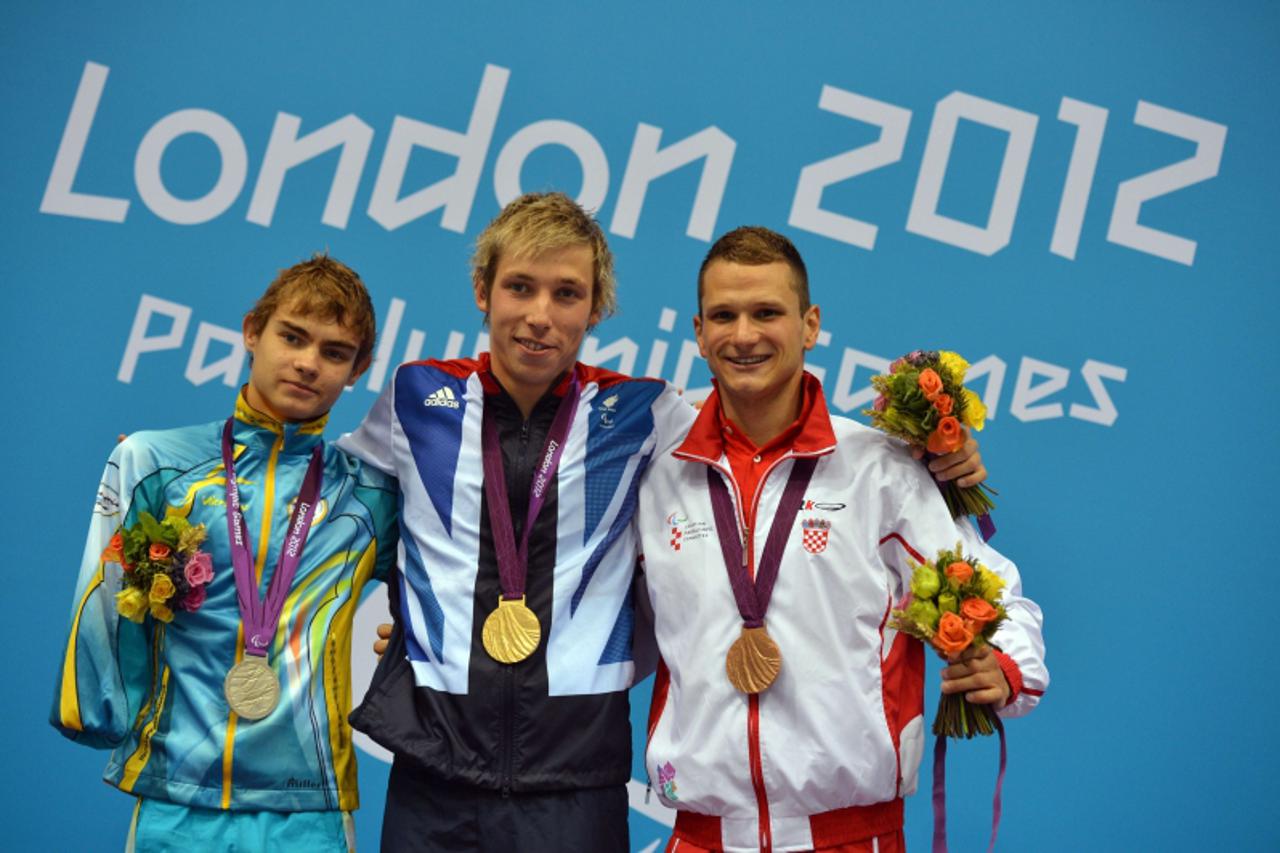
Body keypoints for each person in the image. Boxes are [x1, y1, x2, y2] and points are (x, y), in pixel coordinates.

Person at [347, 193, 990, 852]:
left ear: (596, 308)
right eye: (520, 287)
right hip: (434, 775)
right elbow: (327, 510)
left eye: (567, 293)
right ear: (483, 290)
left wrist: (940, 459)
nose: (540, 315)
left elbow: (758, 429)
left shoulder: (645, 416)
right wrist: (414, 612)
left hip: (574, 780)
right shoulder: (414, 398)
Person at [635, 227, 1048, 852]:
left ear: (810, 325)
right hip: (698, 836)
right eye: (723, 315)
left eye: (767, 312)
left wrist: (1005, 665)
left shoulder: (879, 470)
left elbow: (994, 593)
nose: (743, 335)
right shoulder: (658, 474)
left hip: (851, 836)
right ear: (697, 331)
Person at [52, 255, 399, 852]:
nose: (308, 362)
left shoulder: (370, 494)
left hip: (308, 804)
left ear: (358, 369)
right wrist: (100, 710)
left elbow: (451, 585)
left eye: (334, 352)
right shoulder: (156, 465)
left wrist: (413, 645)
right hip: (174, 793)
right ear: (252, 331)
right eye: (292, 337)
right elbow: (104, 604)